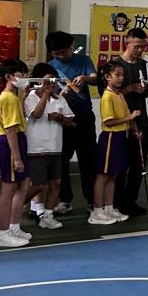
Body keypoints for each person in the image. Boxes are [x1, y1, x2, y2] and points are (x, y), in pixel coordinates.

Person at [47, 31, 99, 212]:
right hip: (62, 119)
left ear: (72, 47)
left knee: (88, 159)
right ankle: (65, 200)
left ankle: (92, 200)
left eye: (64, 52)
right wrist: (58, 95)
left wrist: (85, 78)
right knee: (61, 160)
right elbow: (46, 93)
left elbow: (95, 79)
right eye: (56, 54)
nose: (61, 56)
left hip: (83, 116)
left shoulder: (83, 61)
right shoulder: (50, 67)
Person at [23, 64, 73, 230]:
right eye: (47, 81)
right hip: (37, 148)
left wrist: (60, 117)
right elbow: (36, 114)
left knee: (56, 183)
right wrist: (44, 95)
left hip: (55, 147)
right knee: (38, 184)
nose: (51, 84)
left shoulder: (59, 99)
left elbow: (70, 120)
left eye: (53, 80)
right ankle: (20, 204)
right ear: (38, 81)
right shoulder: (30, 98)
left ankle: (48, 215)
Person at [0, 60, 34, 248]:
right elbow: (10, 130)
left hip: (18, 140)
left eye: (25, 74)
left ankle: (14, 226)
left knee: (23, 184)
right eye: (21, 74)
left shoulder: (15, 97)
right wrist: (16, 158)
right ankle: (3, 233)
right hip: (9, 144)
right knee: (8, 189)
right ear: (8, 77)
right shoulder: (8, 98)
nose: (24, 78)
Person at [91, 59, 137, 225]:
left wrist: (134, 128)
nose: (121, 78)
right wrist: (130, 117)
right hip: (110, 137)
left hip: (121, 137)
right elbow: (109, 122)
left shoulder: (119, 95)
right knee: (103, 175)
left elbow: (126, 116)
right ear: (107, 77)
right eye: (117, 75)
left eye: (122, 75)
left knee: (113, 175)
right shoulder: (107, 96)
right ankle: (97, 211)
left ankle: (109, 208)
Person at [113, 28, 148, 216]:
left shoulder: (144, 65)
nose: (140, 50)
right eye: (137, 46)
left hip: (141, 118)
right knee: (121, 163)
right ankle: (116, 202)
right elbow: (109, 93)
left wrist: (146, 88)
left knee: (139, 164)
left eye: (143, 46)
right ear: (126, 42)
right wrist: (130, 88)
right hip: (121, 120)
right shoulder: (115, 65)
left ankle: (130, 201)